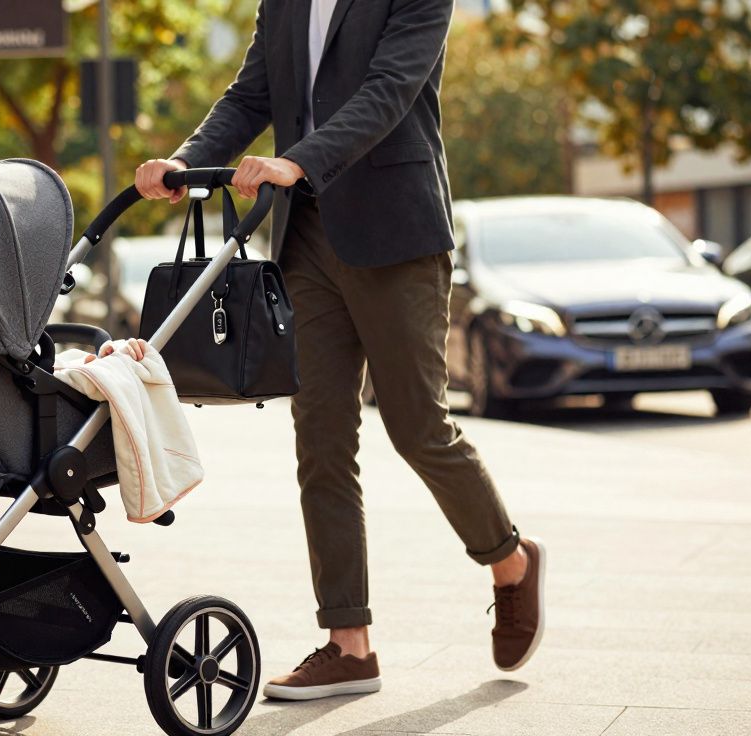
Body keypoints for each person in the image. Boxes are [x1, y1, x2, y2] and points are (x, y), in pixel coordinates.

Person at [135, 0, 546, 700]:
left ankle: (508, 559)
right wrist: (186, 160)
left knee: (418, 428)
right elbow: (252, 93)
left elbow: (390, 88)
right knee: (321, 437)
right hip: (304, 242)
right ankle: (348, 644)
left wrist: (297, 161)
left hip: (397, 233)